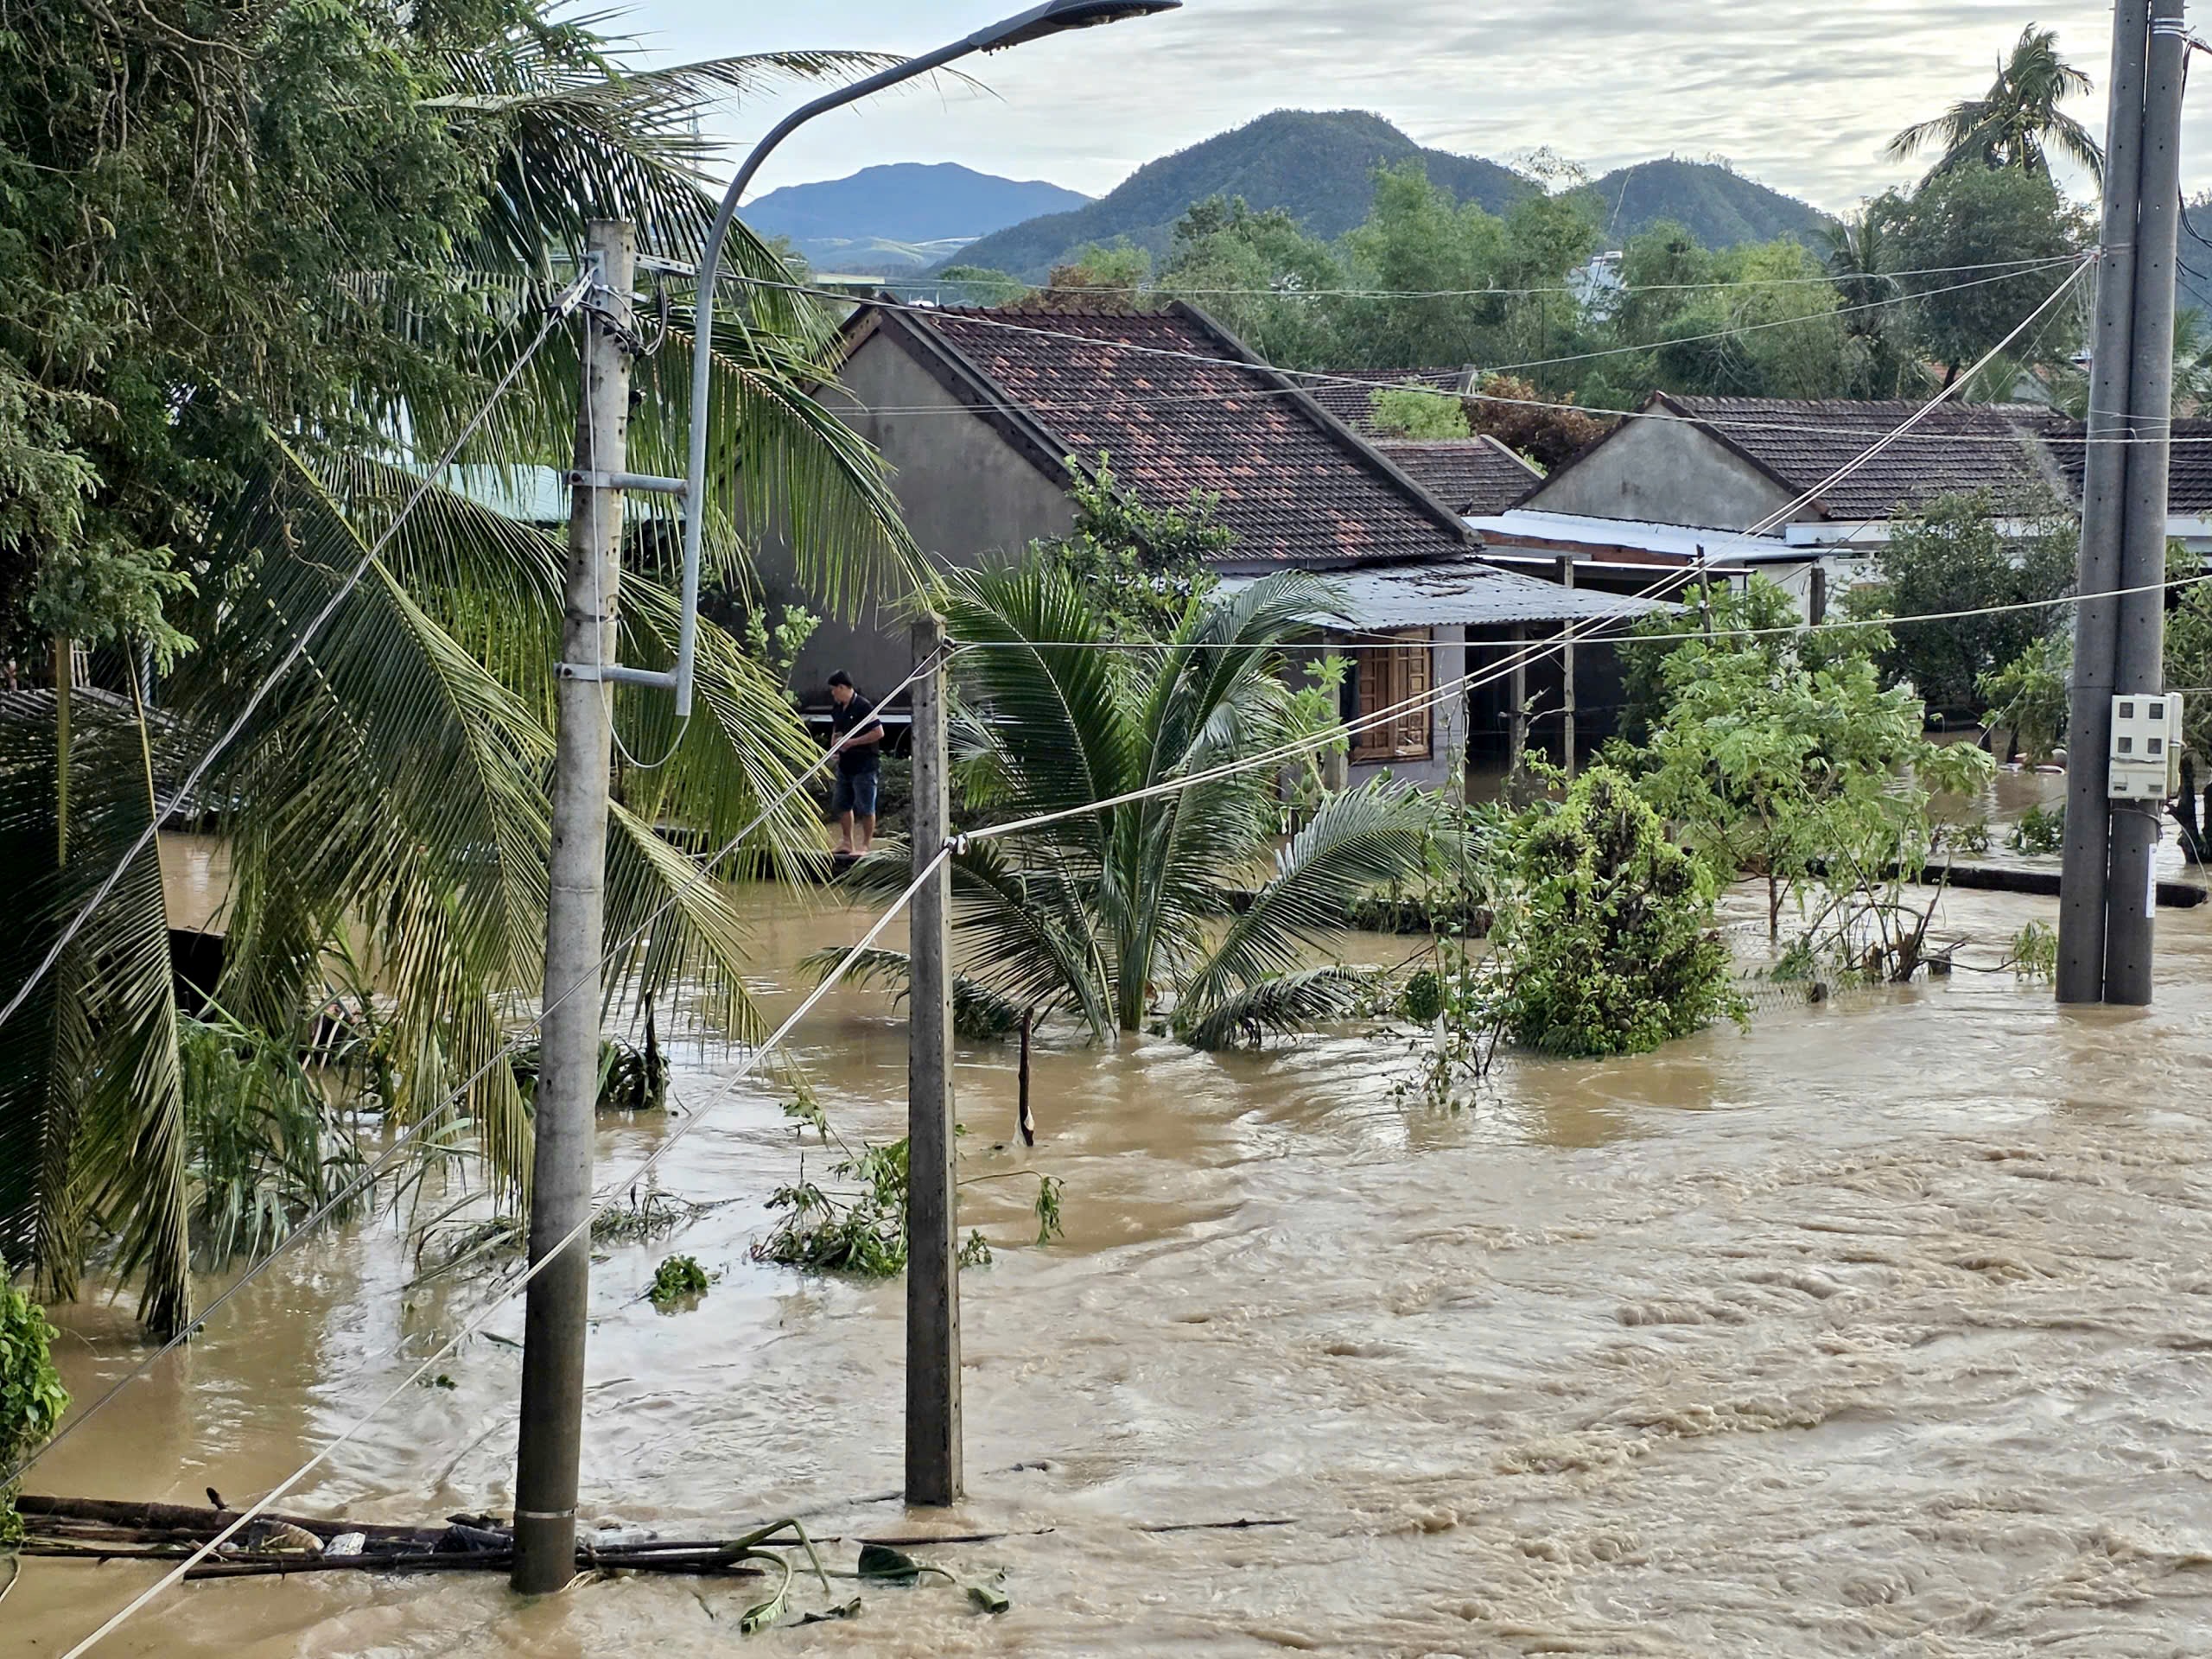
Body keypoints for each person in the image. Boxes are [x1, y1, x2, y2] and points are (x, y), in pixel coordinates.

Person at [826, 670, 886, 859]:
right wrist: (835, 745)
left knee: (866, 806)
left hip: (865, 764)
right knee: (842, 803)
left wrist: (852, 742)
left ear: (842, 687)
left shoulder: (863, 706)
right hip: (846, 764)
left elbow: (878, 732)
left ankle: (866, 845)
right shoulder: (838, 707)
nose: (833, 694)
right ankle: (846, 841)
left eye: (834, 690)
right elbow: (836, 728)